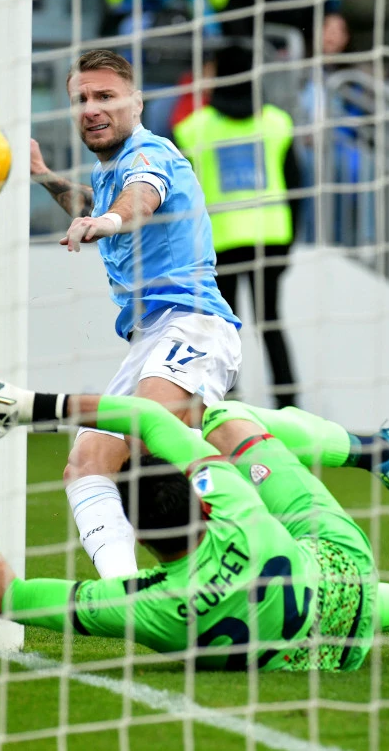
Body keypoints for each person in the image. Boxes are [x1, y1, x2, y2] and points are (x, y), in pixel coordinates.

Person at [0, 365, 389, 671]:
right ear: (204, 499)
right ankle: (380, 452)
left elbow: (7, 598)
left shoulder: (148, 606)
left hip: (321, 654)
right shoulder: (232, 503)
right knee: (224, 418)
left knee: (313, 596)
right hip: (339, 564)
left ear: (140, 536)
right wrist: (21, 404)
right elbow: (149, 417)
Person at [28, 49, 242, 579]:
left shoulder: (150, 152)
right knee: (87, 463)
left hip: (193, 322)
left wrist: (107, 222)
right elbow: (94, 202)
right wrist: (43, 175)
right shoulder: (108, 171)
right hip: (148, 339)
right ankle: (123, 591)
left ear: (136, 103)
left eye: (106, 96)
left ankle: (241, 563)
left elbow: (140, 199)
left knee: (148, 442)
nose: (91, 109)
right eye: (81, 99)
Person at [174, 44, 301, 408]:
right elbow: (297, 186)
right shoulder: (277, 123)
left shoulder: (193, 129)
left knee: (223, 328)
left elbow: (182, 195)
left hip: (220, 241)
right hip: (271, 238)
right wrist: (290, 242)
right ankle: (289, 405)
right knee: (271, 322)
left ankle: (225, 406)